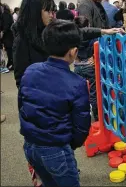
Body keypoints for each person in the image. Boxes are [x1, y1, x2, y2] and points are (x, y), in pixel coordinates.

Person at [19, 20, 90, 187]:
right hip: (56, 149)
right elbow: (81, 126)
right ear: (73, 52)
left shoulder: (30, 70)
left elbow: (22, 105)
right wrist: (70, 144)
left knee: (47, 182)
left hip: (30, 146)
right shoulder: (77, 83)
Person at [13, 0, 122, 88]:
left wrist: (103, 31)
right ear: (35, 12)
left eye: (53, 11)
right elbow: (21, 80)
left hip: (56, 86)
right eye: (48, 11)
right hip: (39, 94)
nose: (52, 15)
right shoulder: (22, 40)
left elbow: (77, 32)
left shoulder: (50, 30)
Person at [74, 16, 97, 121]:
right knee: (93, 92)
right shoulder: (93, 38)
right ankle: (96, 116)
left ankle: (82, 116)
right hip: (90, 66)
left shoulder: (74, 37)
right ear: (88, 26)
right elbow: (97, 49)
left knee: (80, 92)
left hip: (78, 67)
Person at [2, 4, 14, 71]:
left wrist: (2, 32)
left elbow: (6, 25)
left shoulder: (5, 14)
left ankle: (10, 63)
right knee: (9, 49)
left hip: (7, 35)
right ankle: (10, 63)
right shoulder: (8, 14)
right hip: (9, 35)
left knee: (9, 49)